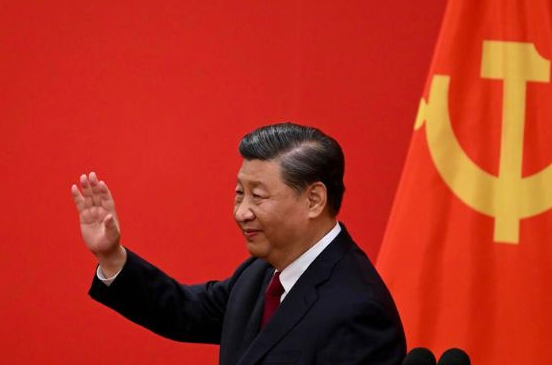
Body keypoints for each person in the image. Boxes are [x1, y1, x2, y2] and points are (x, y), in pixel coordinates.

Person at [71, 123, 406, 364]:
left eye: (257, 196)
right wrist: (112, 255)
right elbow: (186, 311)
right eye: (238, 194)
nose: (242, 211)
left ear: (314, 200)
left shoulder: (359, 312)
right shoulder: (262, 272)